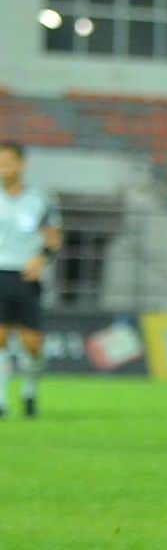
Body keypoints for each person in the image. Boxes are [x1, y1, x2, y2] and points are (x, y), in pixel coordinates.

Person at [0, 141, 62, 418]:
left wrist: (42, 259)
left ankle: (29, 391)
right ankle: (1, 401)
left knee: (32, 343)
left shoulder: (40, 198)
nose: (3, 167)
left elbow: (53, 238)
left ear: (21, 165)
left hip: (25, 276)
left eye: (8, 162)